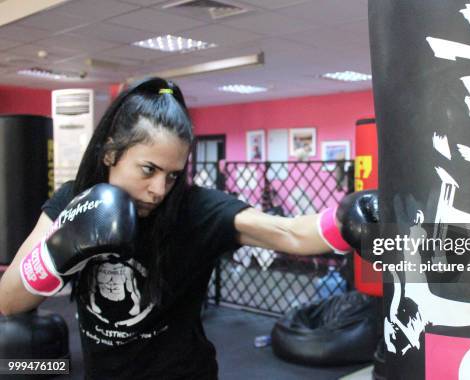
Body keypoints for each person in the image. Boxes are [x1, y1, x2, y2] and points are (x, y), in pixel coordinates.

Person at [0, 77, 377, 380]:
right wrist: (60, 249)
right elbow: (9, 300)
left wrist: (344, 223)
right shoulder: (73, 200)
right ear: (110, 153)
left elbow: (288, 232)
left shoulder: (196, 208)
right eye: (148, 170)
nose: (159, 190)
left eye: (173, 175)